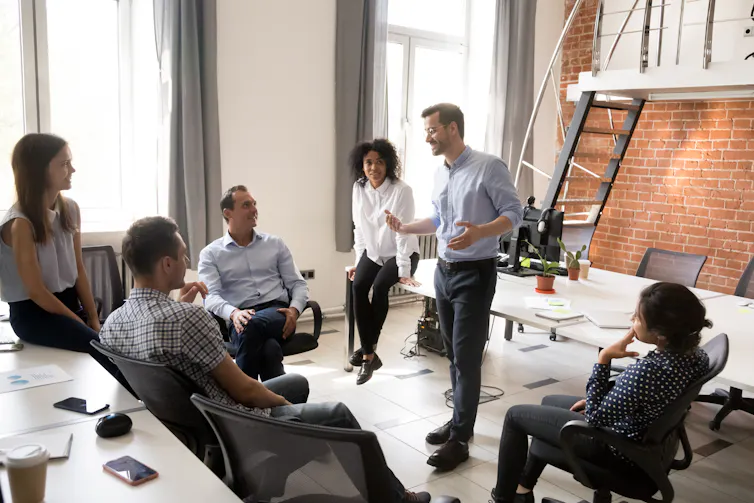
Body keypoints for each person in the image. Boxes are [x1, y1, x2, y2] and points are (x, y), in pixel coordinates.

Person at [99, 216, 432, 503]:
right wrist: (283, 408)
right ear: (166, 264)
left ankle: (279, 465)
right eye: (182, 255)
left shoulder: (113, 323)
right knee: (338, 413)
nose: (186, 261)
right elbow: (246, 392)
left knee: (297, 381)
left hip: (189, 425)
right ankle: (398, 499)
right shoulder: (187, 319)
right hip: (235, 425)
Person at [386, 103, 523, 471]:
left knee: (465, 357)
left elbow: (514, 213)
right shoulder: (440, 174)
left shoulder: (488, 166)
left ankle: (460, 438)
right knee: (452, 354)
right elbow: (437, 219)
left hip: (475, 273)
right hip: (444, 273)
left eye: (432, 130)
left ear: (452, 129)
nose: (427, 137)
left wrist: (482, 231)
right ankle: (460, 422)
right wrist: (404, 228)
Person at [490, 282, 712, 503]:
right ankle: (522, 490)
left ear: (660, 334)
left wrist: (604, 358)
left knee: (515, 416)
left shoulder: (648, 372)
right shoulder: (695, 356)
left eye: (637, 317)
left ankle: (502, 499)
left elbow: (595, 418)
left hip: (618, 448)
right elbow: (641, 397)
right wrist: (605, 397)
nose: (631, 320)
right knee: (548, 402)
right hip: (647, 440)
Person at [0, 133, 132, 393]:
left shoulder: (70, 209)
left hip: (69, 305)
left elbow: (78, 268)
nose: (72, 169)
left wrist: (94, 318)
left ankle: (138, 406)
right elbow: (36, 291)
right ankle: (150, 407)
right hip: (34, 315)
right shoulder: (20, 224)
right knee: (108, 355)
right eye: (64, 164)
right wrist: (80, 324)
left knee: (113, 348)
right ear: (39, 170)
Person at [198, 185, 308, 382]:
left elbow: (297, 284)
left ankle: (241, 398)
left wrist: (295, 310)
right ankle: (277, 404)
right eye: (246, 205)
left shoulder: (275, 244)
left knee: (252, 326)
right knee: (269, 349)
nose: (254, 209)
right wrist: (233, 313)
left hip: (277, 313)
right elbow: (210, 296)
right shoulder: (211, 253)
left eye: (254, 204)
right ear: (228, 213)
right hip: (239, 316)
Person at [347, 139, 421, 384]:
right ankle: (370, 353)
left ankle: (367, 355)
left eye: (379, 162)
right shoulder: (359, 188)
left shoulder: (402, 190)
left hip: (403, 252)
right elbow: (358, 227)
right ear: (362, 165)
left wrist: (403, 269)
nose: (374, 167)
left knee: (379, 288)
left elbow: (403, 232)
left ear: (388, 164)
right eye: (369, 162)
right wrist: (359, 261)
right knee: (357, 286)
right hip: (374, 252)